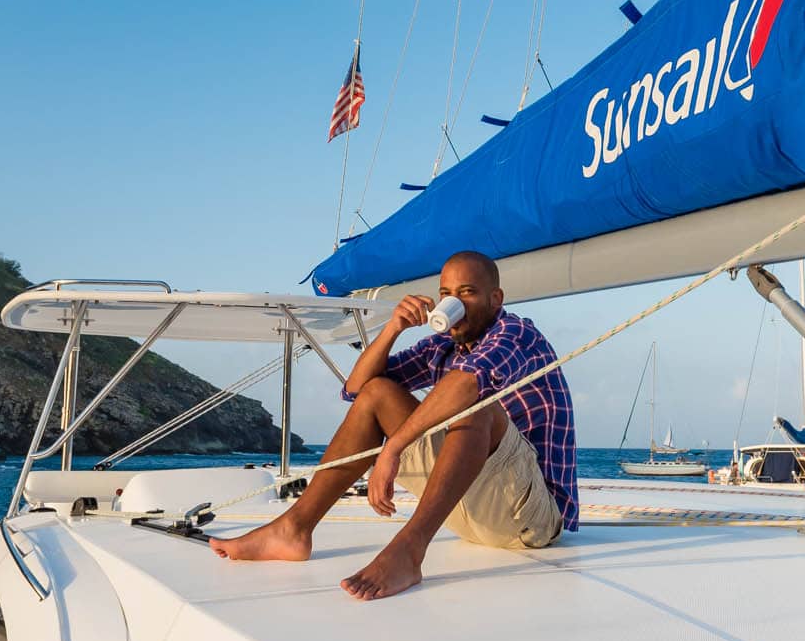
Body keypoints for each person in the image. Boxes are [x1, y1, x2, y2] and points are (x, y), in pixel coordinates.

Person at [208, 250, 578, 600]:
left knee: (474, 403)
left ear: (495, 299)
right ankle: (293, 530)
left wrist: (394, 448)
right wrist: (394, 328)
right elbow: (356, 390)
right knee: (378, 393)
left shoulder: (516, 334)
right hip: (472, 509)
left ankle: (409, 552)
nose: (455, 303)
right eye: (446, 293)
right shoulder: (443, 348)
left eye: (467, 293)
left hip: (532, 518)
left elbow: (468, 383)